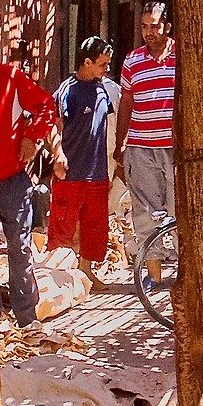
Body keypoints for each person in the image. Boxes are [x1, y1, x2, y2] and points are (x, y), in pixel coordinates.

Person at [0, 51, 60, 325]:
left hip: (12, 178)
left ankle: (26, 316)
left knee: (20, 248)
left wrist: (32, 137)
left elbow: (47, 107)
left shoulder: (9, 77)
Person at [50, 37, 123, 277]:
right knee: (65, 225)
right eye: (103, 64)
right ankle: (60, 278)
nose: (107, 69)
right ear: (87, 62)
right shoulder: (66, 91)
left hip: (97, 172)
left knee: (94, 229)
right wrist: (57, 154)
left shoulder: (102, 89)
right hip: (71, 173)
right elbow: (55, 126)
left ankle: (86, 273)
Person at [117, 4, 177, 231]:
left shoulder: (182, 58)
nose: (148, 32)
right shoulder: (132, 61)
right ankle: (152, 267)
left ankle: (182, 265)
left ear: (167, 27)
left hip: (174, 149)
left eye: (154, 26)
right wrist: (120, 143)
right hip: (141, 149)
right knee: (146, 216)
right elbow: (126, 104)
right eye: (144, 27)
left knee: (179, 212)